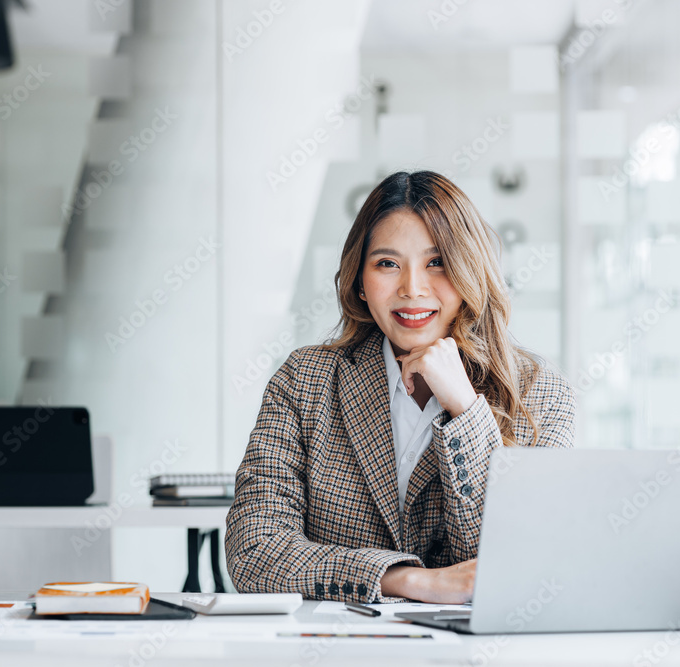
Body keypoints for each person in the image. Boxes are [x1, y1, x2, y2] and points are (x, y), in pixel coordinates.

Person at [225, 170, 575, 604]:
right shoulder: (305, 380)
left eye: (437, 262)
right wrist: (407, 580)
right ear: (360, 282)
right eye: (387, 264)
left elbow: (520, 562)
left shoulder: (538, 393)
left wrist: (466, 409)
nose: (412, 289)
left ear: (471, 270)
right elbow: (254, 551)